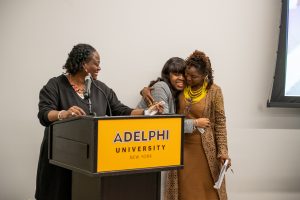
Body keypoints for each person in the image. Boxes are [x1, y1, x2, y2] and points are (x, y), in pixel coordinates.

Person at [35, 43, 163, 200]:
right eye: (96, 63)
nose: (99, 67)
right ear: (84, 64)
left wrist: (147, 112)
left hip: (89, 163)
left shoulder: (100, 88)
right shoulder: (55, 85)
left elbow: (120, 110)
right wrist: (63, 114)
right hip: (61, 160)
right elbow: (44, 114)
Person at [137, 57, 212, 200]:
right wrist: (195, 123)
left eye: (183, 74)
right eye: (176, 74)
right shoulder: (161, 87)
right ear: (167, 75)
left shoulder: (175, 92)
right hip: (142, 143)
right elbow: (165, 123)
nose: (181, 78)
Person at [166, 50, 231, 200]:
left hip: (205, 151)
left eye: (193, 77)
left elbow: (220, 123)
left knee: (207, 193)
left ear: (204, 76)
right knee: (184, 193)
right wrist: (145, 91)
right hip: (180, 149)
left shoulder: (215, 91)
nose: (187, 78)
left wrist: (223, 151)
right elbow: (160, 87)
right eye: (186, 74)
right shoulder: (179, 88)